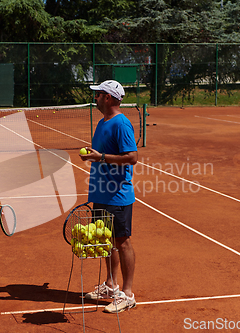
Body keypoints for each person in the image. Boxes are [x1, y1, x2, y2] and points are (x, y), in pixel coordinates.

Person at [79, 80, 138, 313]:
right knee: (106, 241)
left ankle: (128, 293)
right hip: (101, 192)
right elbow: (103, 154)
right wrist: (95, 156)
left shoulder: (121, 124)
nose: (96, 98)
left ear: (110, 98)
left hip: (117, 195)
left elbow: (132, 157)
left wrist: (101, 157)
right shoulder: (103, 122)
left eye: (99, 94)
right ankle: (111, 285)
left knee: (122, 242)